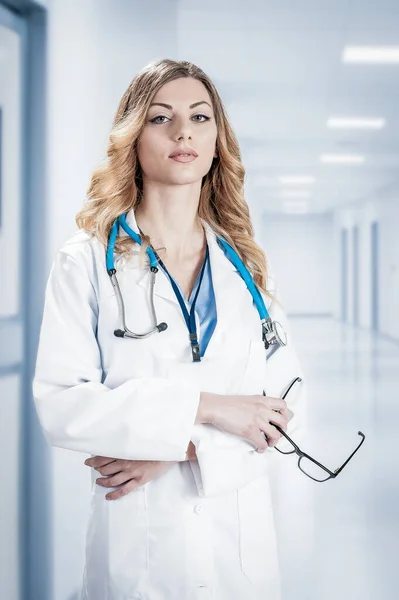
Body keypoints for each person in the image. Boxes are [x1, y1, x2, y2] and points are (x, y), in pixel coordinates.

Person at [32, 58, 306, 600]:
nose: (183, 131)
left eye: (200, 118)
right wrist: (209, 408)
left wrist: (180, 447)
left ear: (216, 140)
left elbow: (286, 397)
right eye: (161, 118)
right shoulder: (85, 263)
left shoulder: (245, 266)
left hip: (240, 552)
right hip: (140, 550)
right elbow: (63, 406)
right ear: (133, 137)